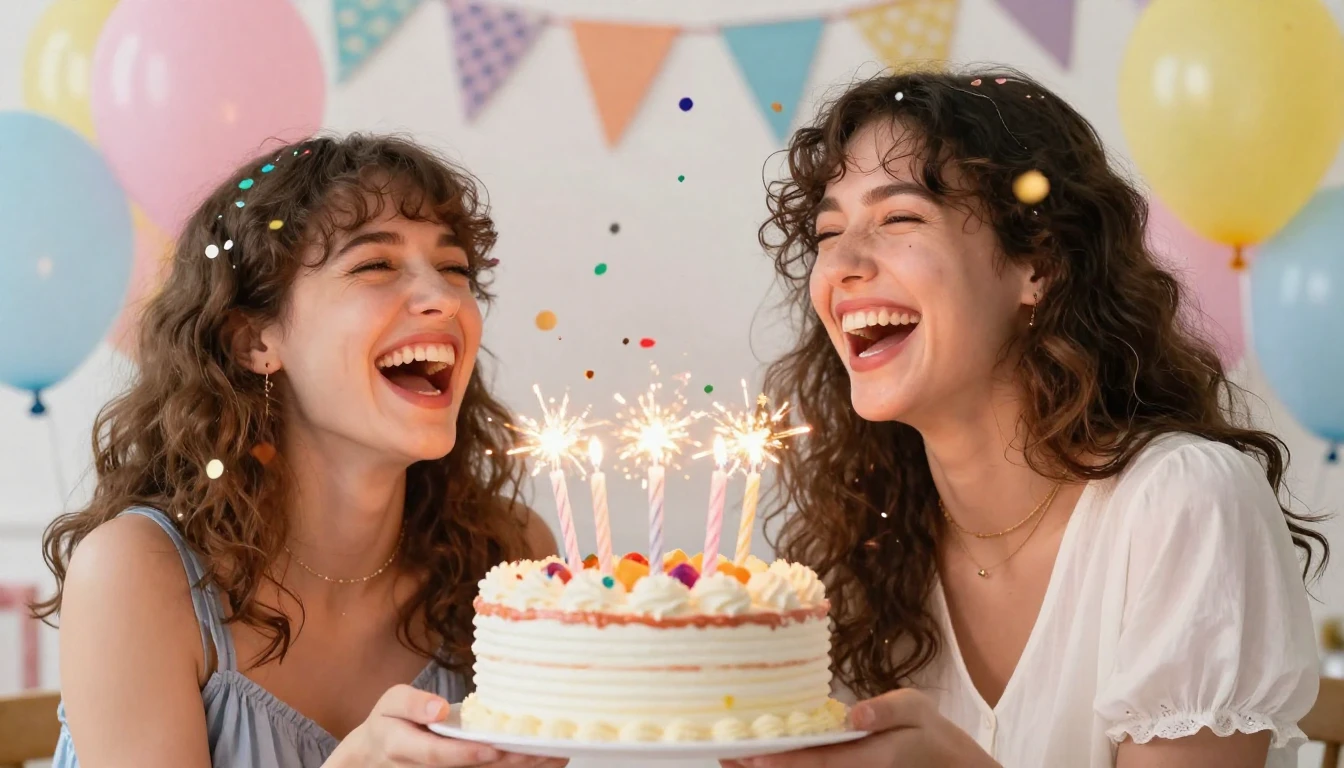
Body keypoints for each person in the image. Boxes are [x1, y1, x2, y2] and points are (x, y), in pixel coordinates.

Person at [735, 69, 1325, 768]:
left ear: (1037, 265)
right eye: (830, 231)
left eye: (899, 218)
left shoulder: (1183, 502)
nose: (844, 266)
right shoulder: (860, 549)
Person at [36, 134, 566, 768]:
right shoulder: (137, 574)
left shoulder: (509, 558)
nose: (447, 299)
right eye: (376, 265)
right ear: (254, 340)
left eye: (454, 269)